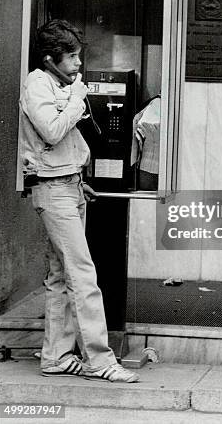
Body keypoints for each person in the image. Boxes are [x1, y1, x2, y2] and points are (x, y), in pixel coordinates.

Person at [19, 19, 138, 383]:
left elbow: (66, 140)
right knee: (83, 274)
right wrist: (76, 98)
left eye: (78, 56)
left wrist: (78, 177)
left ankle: (55, 356)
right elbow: (52, 129)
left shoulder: (60, 84)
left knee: (59, 275)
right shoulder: (37, 85)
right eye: (71, 58)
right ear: (51, 59)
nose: (78, 65)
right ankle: (98, 359)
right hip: (53, 189)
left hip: (69, 185)